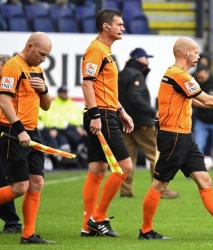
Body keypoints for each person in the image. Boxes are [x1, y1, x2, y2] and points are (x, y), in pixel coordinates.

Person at [138, 37, 213, 240]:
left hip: (184, 137)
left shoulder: (178, 75)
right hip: (173, 137)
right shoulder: (178, 75)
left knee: (205, 179)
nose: (198, 56)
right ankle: (146, 231)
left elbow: (199, 102)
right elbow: (206, 99)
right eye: (195, 52)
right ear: (186, 54)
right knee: (159, 185)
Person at [80, 9, 134, 237]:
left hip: (107, 112)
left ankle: (86, 226)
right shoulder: (96, 50)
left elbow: (104, 88)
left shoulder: (107, 52)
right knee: (125, 167)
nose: (123, 27)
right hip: (101, 115)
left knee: (98, 169)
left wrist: (121, 110)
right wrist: (95, 115)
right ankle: (98, 218)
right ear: (106, 27)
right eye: (119, 24)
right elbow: (87, 84)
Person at [0, 32, 55, 244]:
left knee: (37, 182)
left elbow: (46, 106)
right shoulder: (13, 67)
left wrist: (45, 90)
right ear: (29, 46)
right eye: (41, 54)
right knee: (19, 187)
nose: (43, 59)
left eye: (47, 56)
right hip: (15, 132)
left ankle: (28, 234)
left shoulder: (37, 69)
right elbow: (4, 101)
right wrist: (20, 129)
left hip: (33, 132)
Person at [118, 47, 180, 199]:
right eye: (146, 58)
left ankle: (125, 191)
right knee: (156, 155)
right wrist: (154, 112)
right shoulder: (136, 74)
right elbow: (135, 98)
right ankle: (161, 189)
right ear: (139, 59)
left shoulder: (121, 74)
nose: (148, 61)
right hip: (142, 123)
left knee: (127, 159)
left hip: (125, 122)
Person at [39, 85, 87, 169]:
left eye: (65, 92)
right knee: (65, 139)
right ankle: (61, 160)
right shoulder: (53, 105)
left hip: (77, 128)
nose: (65, 94)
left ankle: (80, 158)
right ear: (58, 93)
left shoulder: (73, 105)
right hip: (61, 129)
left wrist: (81, 128)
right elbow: (58, 120)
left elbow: (80, 118)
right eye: (63, 93)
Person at [0, 54, 22, 234]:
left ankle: (12, 222)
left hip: (6, 132)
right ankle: (12, 221)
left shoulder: (11, 89)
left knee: (4, 178)